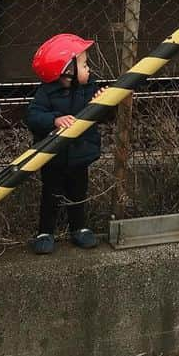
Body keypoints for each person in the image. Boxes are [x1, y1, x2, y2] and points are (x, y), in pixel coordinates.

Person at [25, 33, 112, 254]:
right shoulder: (46, 93)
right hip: (52, 157)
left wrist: (103, 103)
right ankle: (45, 231)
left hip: (79, 155)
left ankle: (79, 228)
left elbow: (103, 116)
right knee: (50, 194)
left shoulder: (89, 89)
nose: (89, 69)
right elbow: (33, 116)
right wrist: (53, 120)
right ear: (67, 71)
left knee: (78, 193)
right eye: (84, 64)